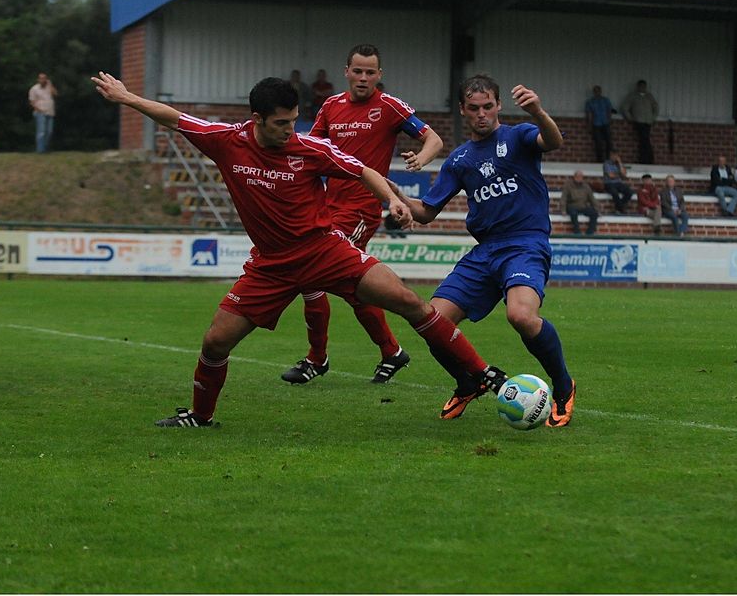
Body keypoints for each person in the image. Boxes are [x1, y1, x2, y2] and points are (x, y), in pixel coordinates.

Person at [91, 72, 508, 428]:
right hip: (270, 266)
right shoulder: (226, 141)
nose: (290, 130)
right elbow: (175, 118)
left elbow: (362, 169)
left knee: (407, 300)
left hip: (323, 250)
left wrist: (393, 200)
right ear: (256, 120)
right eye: (280, 124)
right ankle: (199, 417)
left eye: (294, 121)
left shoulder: (309, 148)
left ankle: (478, 372)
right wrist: (127, 97)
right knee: (215, 343)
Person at [390, 74, 576, 427]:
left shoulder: (518, 136)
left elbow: (553, 141)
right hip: (485, 252)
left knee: (521, 316)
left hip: (525, 243)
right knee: (432, 322)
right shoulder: (459, 160)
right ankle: (468, 382)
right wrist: (395, 196)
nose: (481, 114)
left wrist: (537, 111)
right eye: (473, 108)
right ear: (463, 110)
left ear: (498, 106)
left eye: (488, 107)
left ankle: (564, 386)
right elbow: (427, 212)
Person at [281, 44, 444, 385]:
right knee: (353, 287)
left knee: (320, 278)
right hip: (325, 209)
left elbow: (433, 138)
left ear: (379, 76)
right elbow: (310, 150)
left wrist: (422, 159)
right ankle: (390, 352)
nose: (364, 78)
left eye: (371, 72)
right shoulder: (331, 106)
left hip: (360, 211)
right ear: (347, 71)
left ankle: (318, 358)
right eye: (358, 71)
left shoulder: (388, 106)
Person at [620, 79, 658, 164]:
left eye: (644, 86)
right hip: (639, 121)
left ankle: (647, 159)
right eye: (641, 86)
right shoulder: (633, 96)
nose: (642, 88)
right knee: (644, 140)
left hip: (648, 121)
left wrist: (653, 118)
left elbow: (656, 107)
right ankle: (645, 159)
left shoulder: (649, 96)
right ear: (638, 86)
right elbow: (624, 107)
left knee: (645, 140)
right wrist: (630, 118)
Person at [561, 170, 599, 235]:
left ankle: (590, 232)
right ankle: (577, 231)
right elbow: (563, 198)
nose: (579, 178)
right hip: (572, 206)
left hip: (583, 206)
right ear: (574, 177)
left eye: (581, 177)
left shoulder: (586, 187)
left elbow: (592, 199)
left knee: (594, 213)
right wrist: (563, 210)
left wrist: (597, 209)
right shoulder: (568, 186)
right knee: (573, 213)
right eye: (577, 176)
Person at [28, 72, 57, 153]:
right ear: (38, 79)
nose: (43, 80)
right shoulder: (34, 89)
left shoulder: (49, 87)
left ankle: (45, 148)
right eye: (41, 78)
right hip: (40, 112)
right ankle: (40, 150)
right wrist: (38, 109)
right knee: (41, 132)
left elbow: (55, 94)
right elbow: (32, 101)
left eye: (44, 78)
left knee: (49, 132)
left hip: (50, 112)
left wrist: (50, 84)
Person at [584, 84, 613, 162]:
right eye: (595, 91)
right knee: (598, 143)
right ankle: (600, 160)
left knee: (608, 142)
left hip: (605, 123)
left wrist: (609, 122)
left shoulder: (605, 100)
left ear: (601, 92)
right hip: (596, 124)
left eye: (598, 91)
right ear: (594, 92)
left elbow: (609, 111)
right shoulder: (590, 102)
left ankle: (608, 159)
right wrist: (589, 125)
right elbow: (589, 114)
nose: (597, 93)